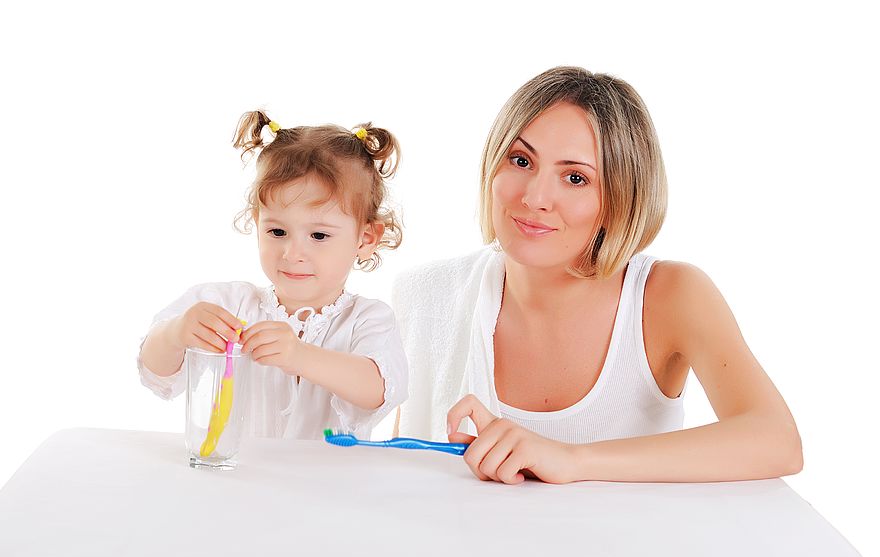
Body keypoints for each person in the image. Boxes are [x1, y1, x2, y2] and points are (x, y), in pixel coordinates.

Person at [393, 66, 802, 484]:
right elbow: (404, 476)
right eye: (520, 160)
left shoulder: (671, 295)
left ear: (621, 197)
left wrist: (573, 460)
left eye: (575, 178)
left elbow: (777, 441)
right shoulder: (427, 296)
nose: (535, 197)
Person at [139, 111, 408, 439]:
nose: (292, 253)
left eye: (318, 236)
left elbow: (380, 388)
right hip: (241, 483)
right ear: (257, 223)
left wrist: (299, 355)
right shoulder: (229, 304)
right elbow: (154, 369)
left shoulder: (367, 318)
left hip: (330, 488)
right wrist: (176, 334)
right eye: (277, 231)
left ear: (366, 239)